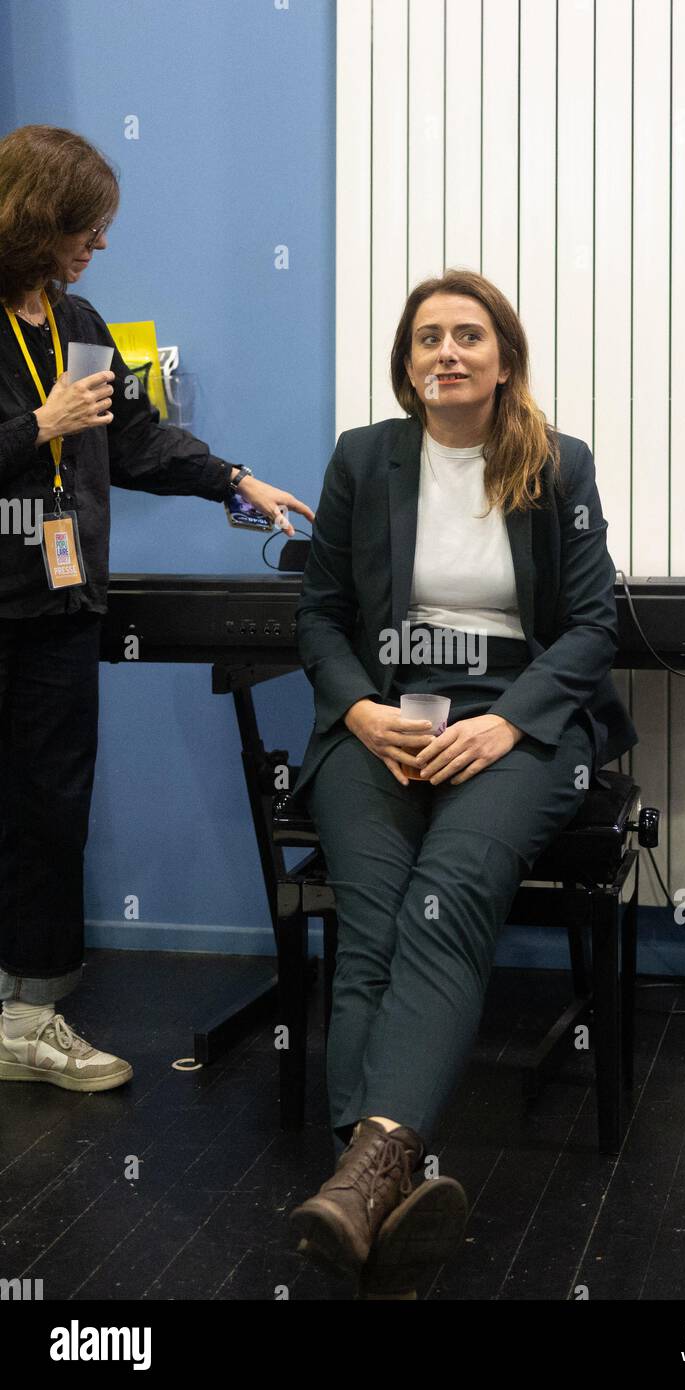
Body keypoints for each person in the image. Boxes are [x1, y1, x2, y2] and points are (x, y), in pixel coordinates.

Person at [286, 268, 637, 1297]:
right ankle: (379, 1182)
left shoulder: (556, 466)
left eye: (467, 336)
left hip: (516, 725)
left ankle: (359, 1174)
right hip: (384, 716)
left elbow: (586, 629)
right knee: (373, 914)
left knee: (442, 909)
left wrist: (501, 724)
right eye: (427, 336)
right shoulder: (363, 459)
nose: (446, 351)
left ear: (501, 358)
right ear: (407, 363)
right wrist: (357, 711)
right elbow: (316, 615)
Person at [0, 125, 315, 1092]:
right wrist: (35, 428)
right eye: (86, 230)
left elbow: (135, 438)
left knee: (49, 815)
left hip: (57, 611)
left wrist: (233, 479)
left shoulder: (77, 316)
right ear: (38, 217)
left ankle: (27, 1016)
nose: (97, 247)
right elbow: (52, 435)